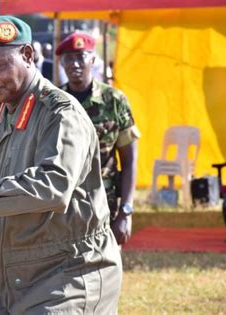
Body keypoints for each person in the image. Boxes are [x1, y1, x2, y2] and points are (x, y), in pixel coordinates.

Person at [0, 16, 122, 313]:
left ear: (27, 56)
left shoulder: (61, 114)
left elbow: (53, 186)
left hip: (67, 278)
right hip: (13, 280)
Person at [56, 32, 140, 245]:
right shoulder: (55, 103)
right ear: (61, 63)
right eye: (68, 58)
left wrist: (126, 212)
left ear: (92, 60)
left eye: (81, 57)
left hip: (104, 201)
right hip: (64, 203)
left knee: (106, 269)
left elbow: (129, 159)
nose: (75, 63)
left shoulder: (114, 101)